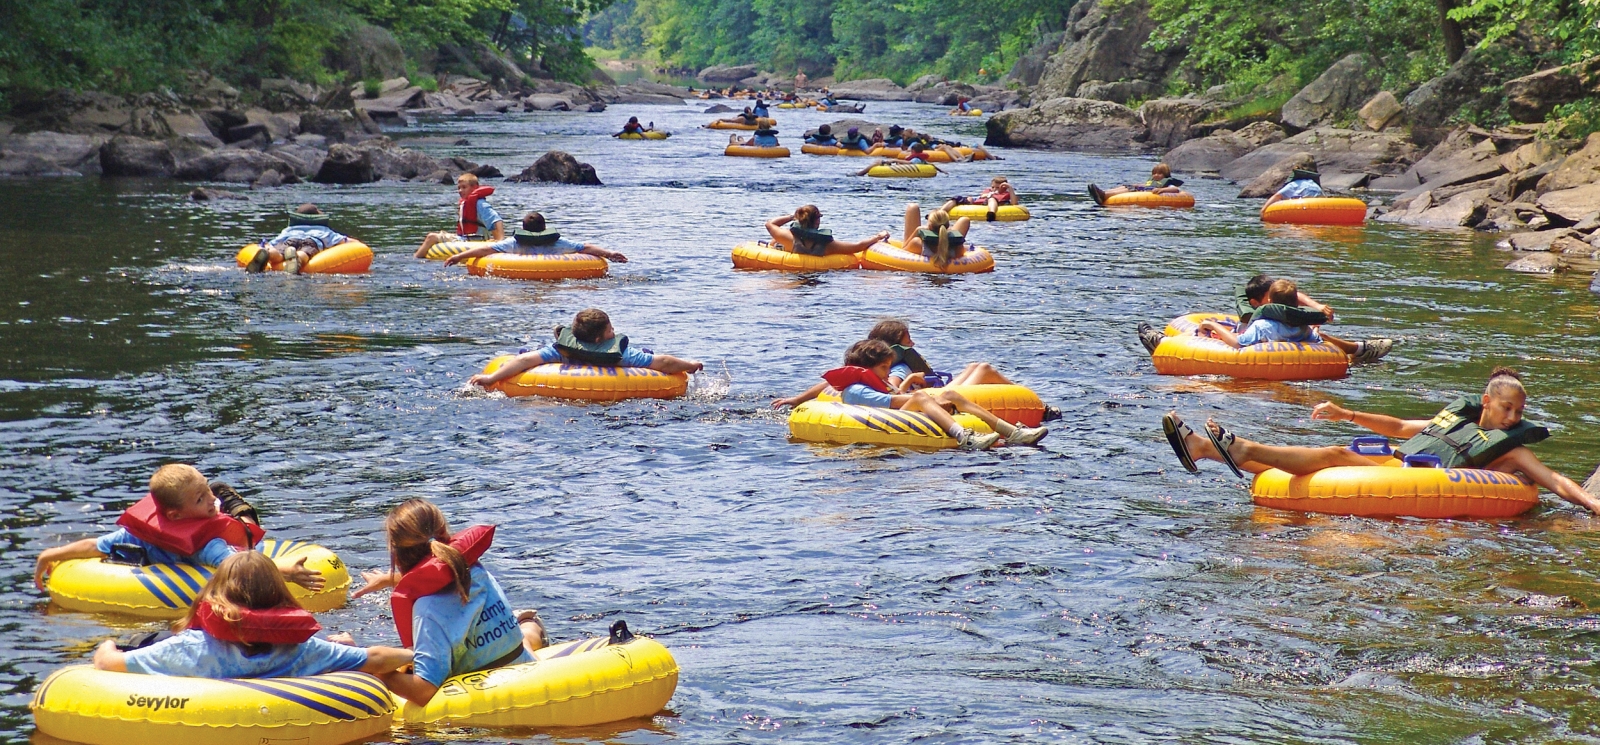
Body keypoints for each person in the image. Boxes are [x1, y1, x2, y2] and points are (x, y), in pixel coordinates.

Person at [1160, 368, 1600, 514]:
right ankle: (1200, 447)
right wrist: (1346, 413)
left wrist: (1594, 505)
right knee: (1334, 452)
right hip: (1397, 463)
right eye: (1508, 410)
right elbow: (1397, 427)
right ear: (1486, 402)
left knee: (1333, 455)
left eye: (1519, 413)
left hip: (1422, 480)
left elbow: (1554, 480)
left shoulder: (1513, 449)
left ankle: (1242, 449)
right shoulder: (1454, 421)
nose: (1515, 418)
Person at [90, 551, 412, 678]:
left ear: (217, 596)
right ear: (278, 597)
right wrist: (413, 654)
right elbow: (378, 658)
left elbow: (110, 664)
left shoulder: (191, 647)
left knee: (138, 641)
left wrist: (107, 645)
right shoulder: (302, 650)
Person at [350, 499, 547, 706]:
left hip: (494, 697)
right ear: (444, 533)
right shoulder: (475, 571)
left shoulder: (428, 609)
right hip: (520, 660)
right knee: (524, 635)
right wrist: (390, 580)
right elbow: (439, 572)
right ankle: (529, 622)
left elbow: (424, 690)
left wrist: (376, 671)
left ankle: (527, 623)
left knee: (397, 661)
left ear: (396, 555)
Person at [34, 464, 324, 593]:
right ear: (173, 515)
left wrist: (286, 571)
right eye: (201, 498)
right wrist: (53, 554)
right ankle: (237, 509)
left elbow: (240, 562)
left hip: (238, 539)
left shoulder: (209, 543)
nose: (210, 499)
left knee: (247, 532)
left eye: (208, 491)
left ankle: (241, 510)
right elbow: (95, 546)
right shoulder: (140, 533)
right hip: (196, 560)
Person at [775, 340, 1048, 450]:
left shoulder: (874, 383)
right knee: (923, 398)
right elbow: (897, 404)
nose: (887, 373)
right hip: (887, 419)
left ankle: (1011, 433)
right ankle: (963, 437)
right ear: (863, 369)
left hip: (899, 413)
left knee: (951, 393)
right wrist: (925, 395)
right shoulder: (857, 390)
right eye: (883, 368)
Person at [1135, 274, 1394, 362]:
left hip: (1255, 354)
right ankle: (1360, 350)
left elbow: (1238, 344)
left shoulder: (1263, 324)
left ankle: (1163, 345)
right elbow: (1315, 335)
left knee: (1206, 337)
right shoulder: (1300, 325)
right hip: (1288, 349)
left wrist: (1211, 324)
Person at [773, 319, 1023, 409]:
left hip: (926, 392)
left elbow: (829, 383)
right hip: (931, 397)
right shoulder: (897, 367)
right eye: (907, 339)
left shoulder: (871, 365)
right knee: (984, 369)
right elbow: (894, 390)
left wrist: (797, 399)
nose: (912, 343)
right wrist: (911, 380)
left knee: (973, 367)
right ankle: (1033, 403)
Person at [467, 308, 703, 388]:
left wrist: (491, 378)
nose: (614, 333)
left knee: (528, 351)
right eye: (611, 331)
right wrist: (690, 365)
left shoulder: (562, 351)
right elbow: (664, 363)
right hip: (613, 374)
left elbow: (525, 361)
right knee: (648, 353)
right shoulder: (621, 355)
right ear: (601, 339)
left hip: (566, 369)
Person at [441, 212, 627, 266]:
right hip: (557, 276)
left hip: (519, 277)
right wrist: (610, 254)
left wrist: (459, 256)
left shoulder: (514, 243)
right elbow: (586, 248)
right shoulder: (557, 242)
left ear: (523, 230)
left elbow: (485, 250)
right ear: (545, 228)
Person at [414, 173, 505, 258]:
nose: (460, 191)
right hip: (466, 239)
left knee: (431, 237)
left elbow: (496, 219)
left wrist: (500, 241)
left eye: (464, 187)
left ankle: (415, 260)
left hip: (474, 241)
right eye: (459, 188)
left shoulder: (480, 204)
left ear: (475, 188)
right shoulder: (466, 203)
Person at [244, 204, 350, 274]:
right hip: (312, 241)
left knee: (280, 252)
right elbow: (343, 241)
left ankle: (269, 254)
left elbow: (274, 242)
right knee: (305, 253)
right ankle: (297, 258)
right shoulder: (324, 230)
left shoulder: (289, 229)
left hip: (290, 239)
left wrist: (266, 246)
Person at [764, 205, 889, 257]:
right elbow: (857, 246)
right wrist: (879, 236)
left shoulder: (788, 237)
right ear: (817, 221)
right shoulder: (827, 244)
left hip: (792, 272)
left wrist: (791, 216)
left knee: (775, 241)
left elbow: (770, 224)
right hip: (816, 276)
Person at [902, 203, 970, 269]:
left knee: (913, 207)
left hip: (924, 276)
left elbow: (903, 252)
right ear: (947, 226)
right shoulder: (958, 246)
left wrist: (917, 231)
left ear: (929, 226)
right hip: (949, 274)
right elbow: (961, 257)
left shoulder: (917, 243)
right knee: (964, 220)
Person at [1088, 163, 1184, 205]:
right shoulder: (1153, 181)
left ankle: (1104, 195)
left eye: (1159, 173)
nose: (1156, 175)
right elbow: (1147, 185)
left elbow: (1175, 189)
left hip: (1147, 192)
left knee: (1128, 190)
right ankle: (1102, 192)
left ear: (1165, 175)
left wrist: (1161, 190)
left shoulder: (1168, 183)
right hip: (1143, 189)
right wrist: (1138, 184)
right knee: (1126, 186)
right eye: (1154, 173)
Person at [942, 177, 1018, 221]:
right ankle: (940, 212)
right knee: (959, 198)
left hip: (991, 203)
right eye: (993, 187)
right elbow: (982, 196)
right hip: (978, 203)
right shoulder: (988, 191)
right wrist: (990, 193)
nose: (994, 189)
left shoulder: (1007, 193)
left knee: (992, 199)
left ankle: (991, 213)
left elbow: (1014, 203)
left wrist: (1009, 187)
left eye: (997, 187)